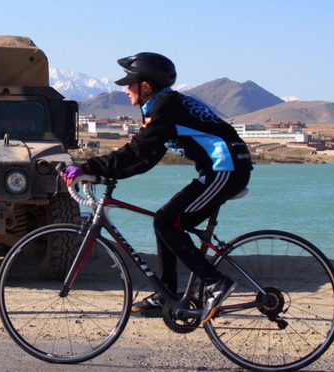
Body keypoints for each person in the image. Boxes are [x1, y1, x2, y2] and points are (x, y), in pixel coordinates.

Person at [61, 52, 253, 323]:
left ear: (147, 86)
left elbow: (136, 150)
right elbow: (145, 159)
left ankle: (216, 282)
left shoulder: (165, 107)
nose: (126, 90)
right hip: (219, 170)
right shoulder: (163, 106)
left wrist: (88, 167)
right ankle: (168, 293)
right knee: (165, 221)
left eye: (130, 83)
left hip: (226, 169)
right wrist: (105, 175)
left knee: (166, 222)